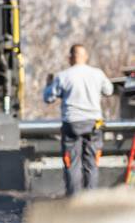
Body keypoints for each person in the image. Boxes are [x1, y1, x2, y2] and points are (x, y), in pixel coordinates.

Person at [44, 43, 114, 196]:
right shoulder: (97, 73)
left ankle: (74, 201)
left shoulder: (63, 76)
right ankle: (90, 200)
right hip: (94, 124)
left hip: (72, 124)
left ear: (70, 58)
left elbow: (48, 98)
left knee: (72, 164)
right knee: (91, 163)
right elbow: (109, 90)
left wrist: (49, 84)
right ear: (86, 57)